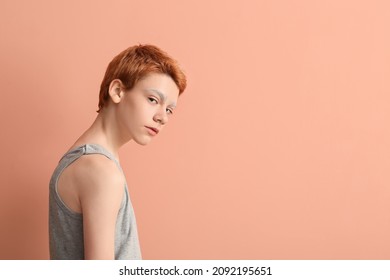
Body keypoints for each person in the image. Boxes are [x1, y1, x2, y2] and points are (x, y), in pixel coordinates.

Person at [48, 44, 187, 260]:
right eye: (153, 100)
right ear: (117, 91)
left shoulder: (83, 160)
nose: (163, 117)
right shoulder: (101, 170)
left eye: (169, 109)